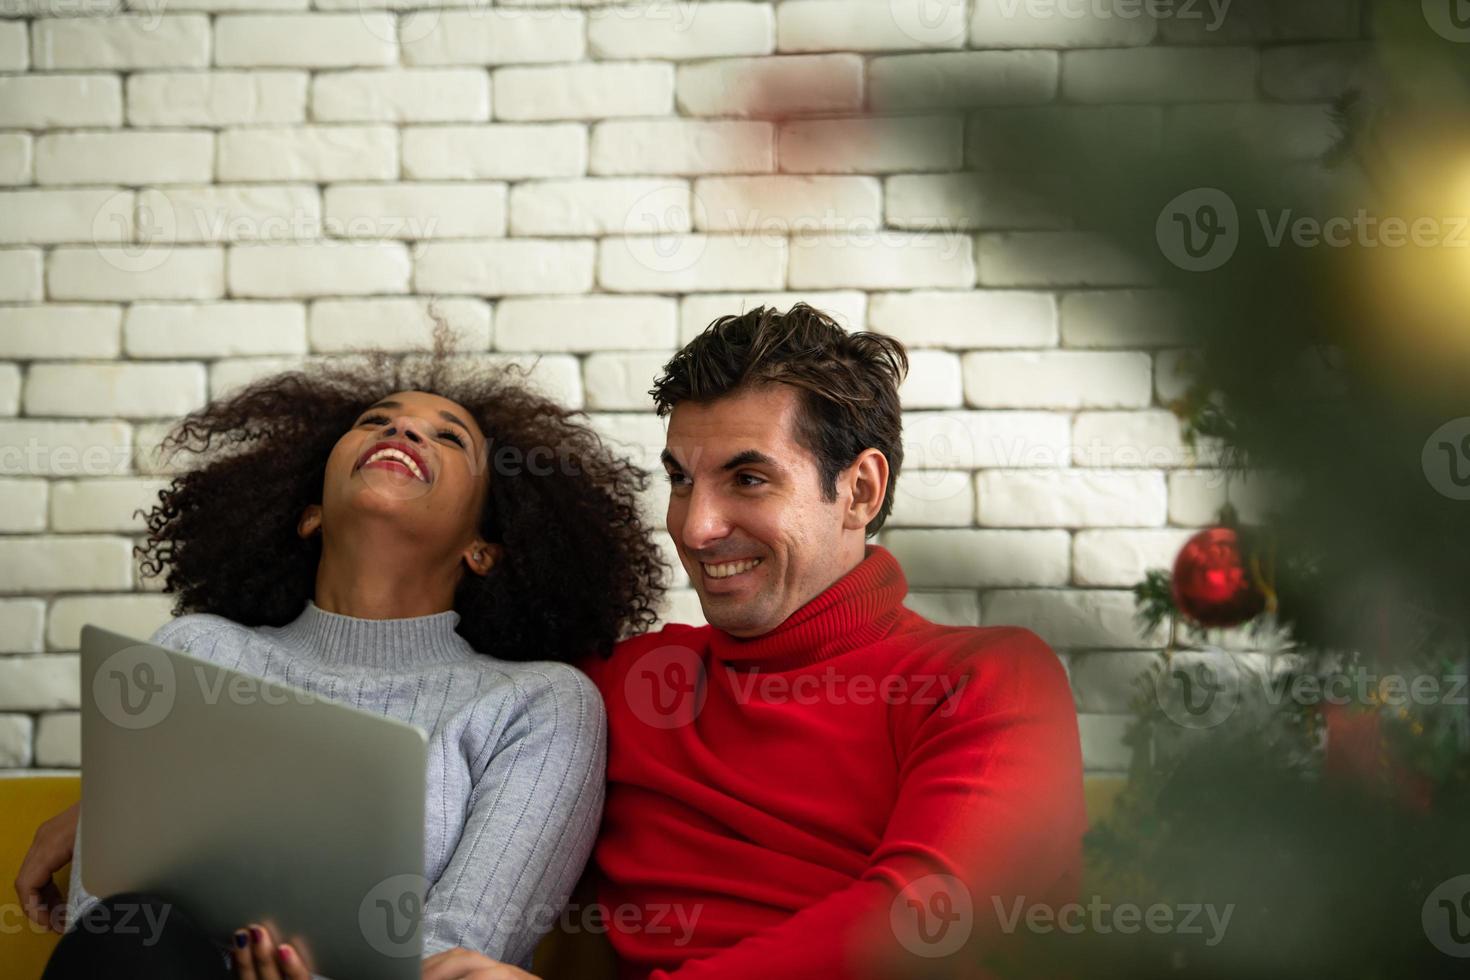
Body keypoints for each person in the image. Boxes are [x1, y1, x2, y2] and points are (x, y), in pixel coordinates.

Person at [21, 304, 1087, 979]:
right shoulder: (627, 686)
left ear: (860, 487)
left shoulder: (987, 677)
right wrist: (131, 795)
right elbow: (402, 697)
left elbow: (919, 920)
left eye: (746, 478)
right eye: (680, 479)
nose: (695, 525)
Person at [18, 334, 666, 980]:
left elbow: (461, 956)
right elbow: (106, 918)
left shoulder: (537, 704)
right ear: (309, 516)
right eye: (375, 422)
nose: (404, 430)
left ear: (483, 548)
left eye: (448, 437)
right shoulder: (197, 655)